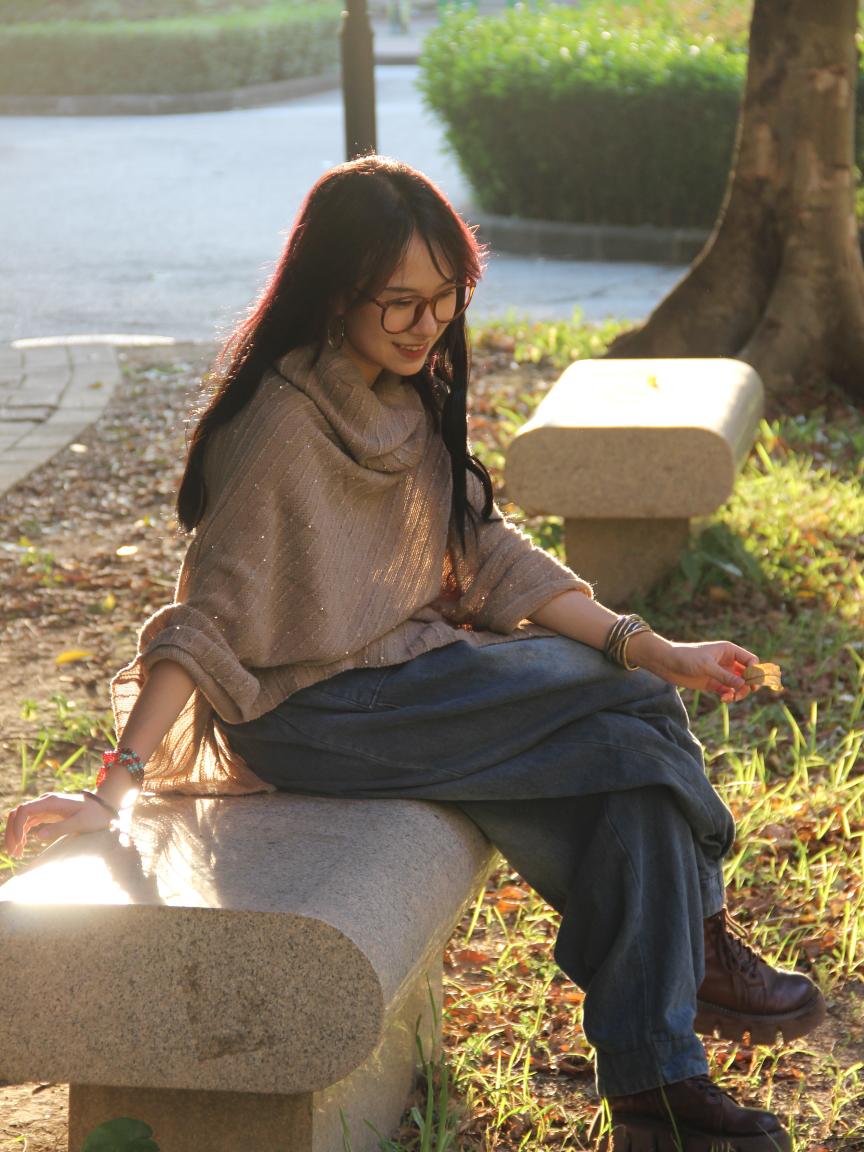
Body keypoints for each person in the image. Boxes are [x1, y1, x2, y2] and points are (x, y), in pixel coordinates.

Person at [3, 156, 824, 1151]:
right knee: (637, 703)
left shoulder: (402, 393)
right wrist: (114, 788)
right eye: (399, 301)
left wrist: (648, 642)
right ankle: (700, 941)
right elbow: (204, 621)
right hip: (313, 712)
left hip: (405, 682)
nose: (426, 323)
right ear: (334, 292)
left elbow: (485, 551)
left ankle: (659, 1093)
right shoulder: (280, 426)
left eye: (444, 298)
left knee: (632, 775)